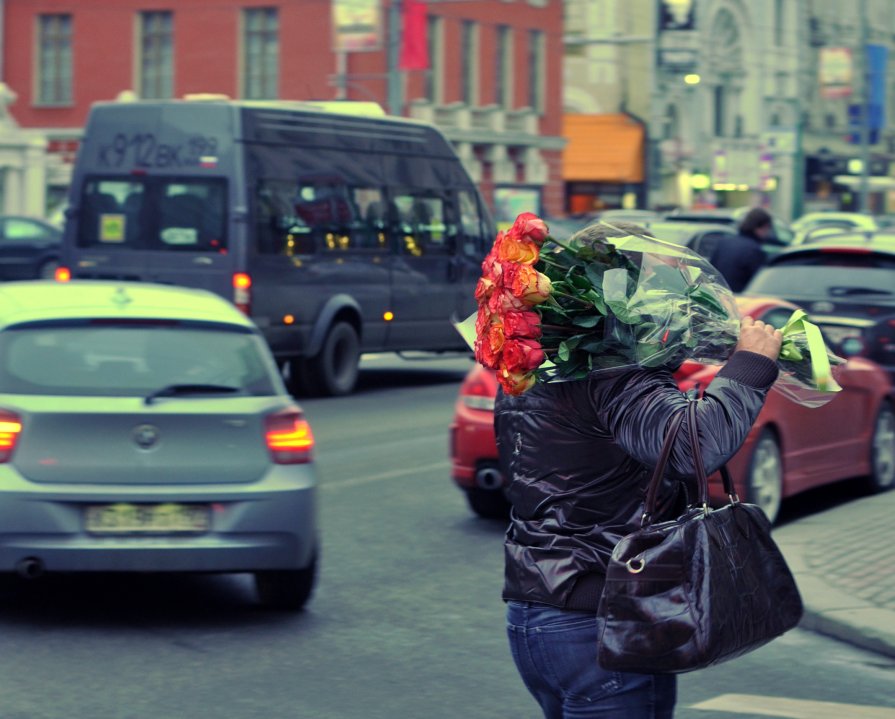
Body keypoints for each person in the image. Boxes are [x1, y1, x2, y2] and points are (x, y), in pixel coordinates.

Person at [496, 222, 783, 719]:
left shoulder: (537, 367)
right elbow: (695, 444)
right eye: (664, 283)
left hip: (536, 617)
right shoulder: (615, 373)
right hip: (603, 626)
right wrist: (749, 366)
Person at [708, 207, 775, 292]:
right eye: (767, 229)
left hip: (718, 295)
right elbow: (759, 284)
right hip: (740, 299)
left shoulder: (724, 242)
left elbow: (710, 270)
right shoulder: (754, 250)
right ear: (762, 227)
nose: (768, 233)